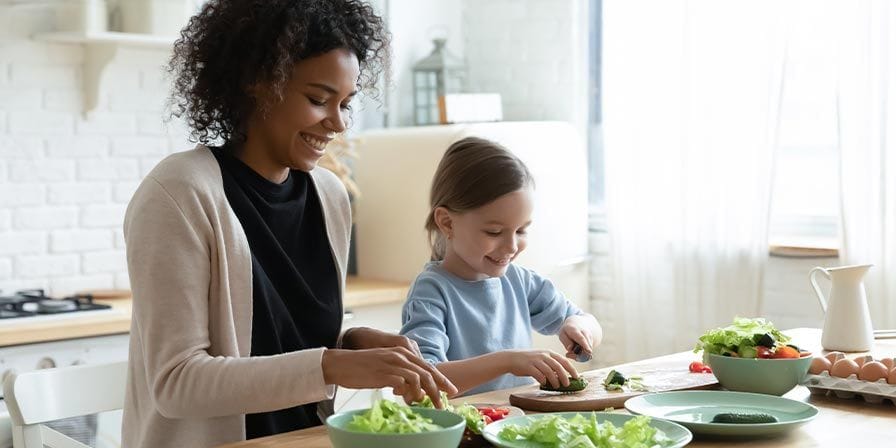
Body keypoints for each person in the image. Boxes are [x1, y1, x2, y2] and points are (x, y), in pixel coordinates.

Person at [122, 1, 455, 447]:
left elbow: (283, 338)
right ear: (259, 82)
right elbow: (177, 383)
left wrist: (352, 342)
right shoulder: (179, 193)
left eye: (346, 104)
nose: (338, 123)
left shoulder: (330, 195)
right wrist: (333, 364)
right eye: (319, 100)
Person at [400, 137, 604, 396]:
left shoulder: (520, 281)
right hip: (463, 422)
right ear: (448, 223)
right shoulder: (431, 292)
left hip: (518, 419)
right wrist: (508, 361)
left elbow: (589, 322)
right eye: (494, 232)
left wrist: (579, 328)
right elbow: (423, 381)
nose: (511, 246)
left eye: (521, 230)